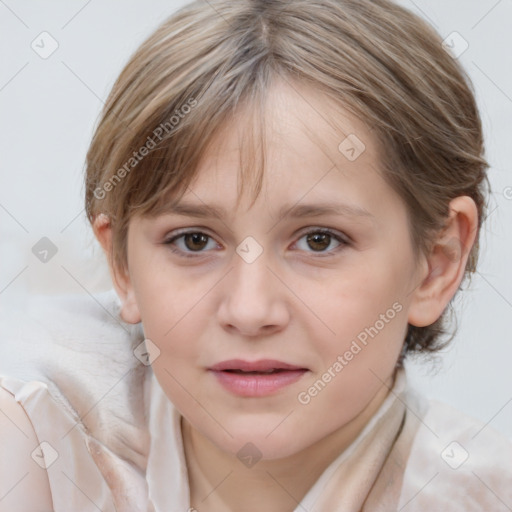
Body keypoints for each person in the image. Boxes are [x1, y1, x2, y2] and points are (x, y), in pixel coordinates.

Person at [1, 0, 511, 510]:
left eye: (319, 240)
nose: (249, 311)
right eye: (194, 240)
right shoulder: (35, 438)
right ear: (123, 267)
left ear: (436, 264)